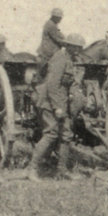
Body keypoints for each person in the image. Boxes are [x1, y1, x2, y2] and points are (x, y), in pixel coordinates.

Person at [28, 33, 87, 181]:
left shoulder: (69, 60)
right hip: (49, 102)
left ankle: (62, 171)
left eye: (80, 48)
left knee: (66, 135)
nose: (78, 51)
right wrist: (57, 108)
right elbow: (52, 86)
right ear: (69, 46)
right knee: (51, 134)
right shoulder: (60, 58)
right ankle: (32, 170)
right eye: (76, 48)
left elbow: (68, 83)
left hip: (61, 102)